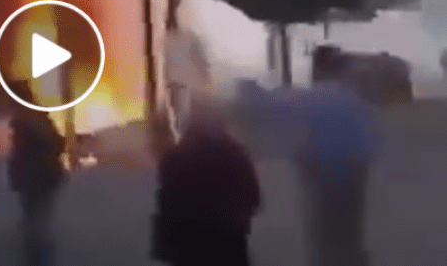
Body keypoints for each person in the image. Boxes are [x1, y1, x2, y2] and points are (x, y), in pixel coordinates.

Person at [238, 48, 381, 266]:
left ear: (317, 69)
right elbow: (371, 139)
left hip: (324, 177)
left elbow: (268, 105)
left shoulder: (314, 97)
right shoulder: (354, 98)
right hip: (354, 176)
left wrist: (247, 86)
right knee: (350, 235)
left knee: (325, 239)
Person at [152, 103, 261, 266]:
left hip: (187, 252)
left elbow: (166, 205)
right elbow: (253, 199)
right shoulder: (235, 154)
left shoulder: (175, 158)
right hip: (229, 249)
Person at [7, 81, 66, 266]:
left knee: (34, 218)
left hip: (36, 176)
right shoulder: (34, 118)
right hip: (40, 176)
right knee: (37, 217)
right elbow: (56, 143)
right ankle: (37, 254)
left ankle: (36, 255)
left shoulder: (28, 119)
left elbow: (52, 142)